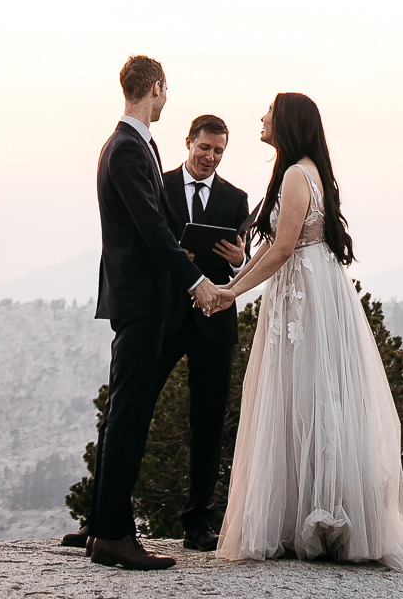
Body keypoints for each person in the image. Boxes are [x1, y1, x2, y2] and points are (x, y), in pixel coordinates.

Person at [197, 93, 403, 573]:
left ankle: (318, 514)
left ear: (286, 122)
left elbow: (281, 250)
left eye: (268, 112)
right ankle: (306, 511)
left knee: (306, 397)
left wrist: (229, 291)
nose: (261, 118)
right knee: (305, 398)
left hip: (303, 295)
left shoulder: (296, 175)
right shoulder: (304, 170)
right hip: (305, 289)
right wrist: (231, 287)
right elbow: (270, 247)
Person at [83, 55, 229, 571]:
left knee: (127, 412)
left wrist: (184, 256)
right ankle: (112, 535)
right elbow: (147, 225)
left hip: (145, 297)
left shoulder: (135, 142)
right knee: (128, 415)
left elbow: (157, 223)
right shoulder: (125, 147)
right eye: (166, 92)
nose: (166, 100)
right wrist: (197, 282)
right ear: (156, 88)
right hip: (141, 300)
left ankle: (102, 525)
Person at [155, 114, 249, 551]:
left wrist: (237, 259)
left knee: (209, 424)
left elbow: (240, 266)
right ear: (188, 142)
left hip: (214, 323)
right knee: (130, 410)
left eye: (219, 152)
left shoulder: (237, 198)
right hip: (166, 316)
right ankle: (102, 516)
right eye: (204, 148)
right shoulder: (160, 186)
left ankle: (198, 523)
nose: (211, 158)